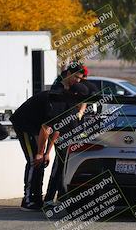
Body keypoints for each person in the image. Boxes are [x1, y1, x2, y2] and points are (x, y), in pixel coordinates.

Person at [10, 63, 84, 211]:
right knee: (34, 160)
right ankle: (29, 200)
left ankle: (38, 198)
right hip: (26, 124)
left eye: (80, 79)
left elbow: (57, 129)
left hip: (40, 126)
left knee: (42, 161)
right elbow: (46, 127)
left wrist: (47, 153)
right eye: (76, 77)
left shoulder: (69, 105)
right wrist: (39, 152)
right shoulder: (58, 98)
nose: (77, 81)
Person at [44, 83, 90, 207]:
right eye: (82, 98)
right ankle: (49, 199)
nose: (83, 102)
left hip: (71, 145)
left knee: (65, 172)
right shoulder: (65, 108)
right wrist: (47, 152)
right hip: (63, 145)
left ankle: (62, 198)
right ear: (75, 95)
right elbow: (56, 131)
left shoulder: (75, 108)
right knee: (58, 171)